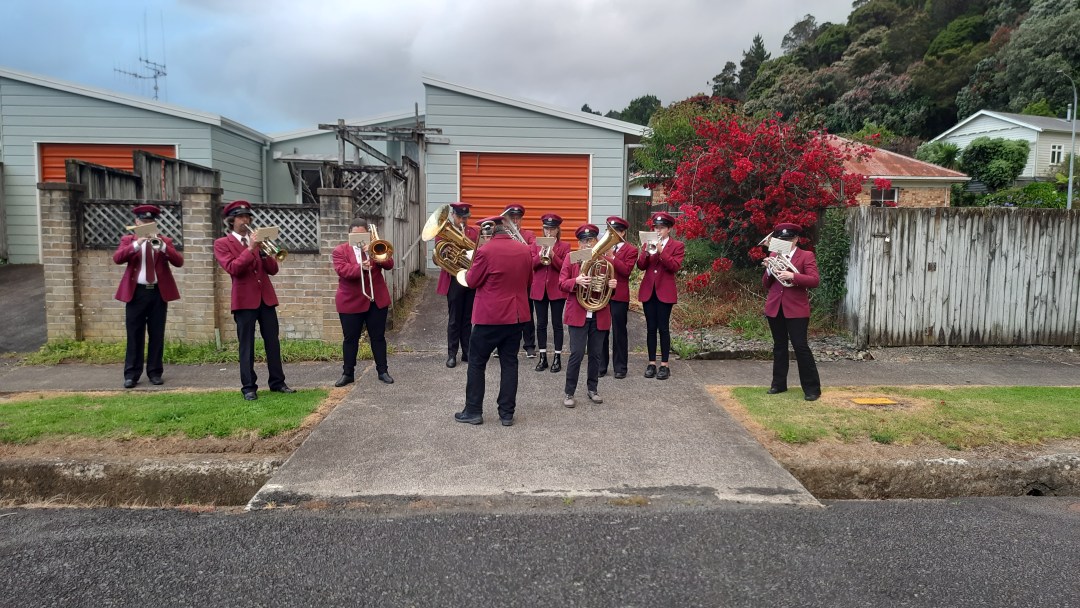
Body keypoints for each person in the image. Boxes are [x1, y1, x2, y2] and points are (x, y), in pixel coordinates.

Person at [454, 215, 533, 427]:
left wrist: (471, 267)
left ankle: (473, 411)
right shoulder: (525, 250)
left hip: (489, 317)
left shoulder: (485, 251)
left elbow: (471, 281)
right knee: (509, 363)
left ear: (489, 231)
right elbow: (528, 281)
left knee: (477, 363)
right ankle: (506, 414)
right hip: (516, 316)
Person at [213, 200, 295, 400]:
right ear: (232, 220)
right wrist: (250, 248)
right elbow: (233, 268)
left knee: (273, 343)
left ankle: (278, 382)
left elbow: (273, 270)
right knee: (246, 345)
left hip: (266, 299)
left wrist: (266, 253)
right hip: (244, 301)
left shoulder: (258, 243)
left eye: (248, 217)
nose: (245, 220)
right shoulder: (222, 244)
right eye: (241, 217)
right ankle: (249, 387)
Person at [113, 204, 184, 388]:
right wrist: (137, 244)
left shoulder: (164, 241)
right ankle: (131, 374)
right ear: (137, 223)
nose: (147, 224)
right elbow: (118, 258)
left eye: (150, 222)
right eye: (143, 221)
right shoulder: (128, 240)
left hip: (158, 293)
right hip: (136, 293)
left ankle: (155, 372)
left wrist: (163, 247)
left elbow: (179, 261)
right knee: (134, 334)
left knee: (157, 334)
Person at [559, 224, 618, 407]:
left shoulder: (605, 262)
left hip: (599, 314)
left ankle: (593, 389)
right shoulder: (571, 258)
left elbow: (608, 292)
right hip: (578, 313)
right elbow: (561, 283)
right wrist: (576, 281)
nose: (588, 244)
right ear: (579, 243)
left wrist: (612, 286)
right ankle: (569, 392)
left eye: (591, 240)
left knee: (596, 355)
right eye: (584, 241)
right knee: (576, 354)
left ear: (596, 241)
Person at [762, 222, 821, 401]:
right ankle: (778, 384)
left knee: (800, 347)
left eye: (788, 239)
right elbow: (766, 284)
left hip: (796, 308)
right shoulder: (773, 254)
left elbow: (814, 280)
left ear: (796, 239)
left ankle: (812, 389)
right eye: (781, 239)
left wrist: (792, 276)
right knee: (779, 347)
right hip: (775, 307)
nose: (785, 242)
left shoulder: (806, 255)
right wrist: (769, 270)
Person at [332, 218, 394, 387]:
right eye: (355, 235)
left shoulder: (375, 247)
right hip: (350, 301)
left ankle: (383, 371)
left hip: (376, 300)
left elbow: (389, 264)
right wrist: (360, 268)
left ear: (368, 234)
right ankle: (348, 373)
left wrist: (374, 254)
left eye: (362, 235)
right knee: (350, 339)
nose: (359, 238)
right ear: (349, 235)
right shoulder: (340, 250)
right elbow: (342, 270)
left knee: (378, 337)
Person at [637, 211, 685, 380]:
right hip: (649, 291)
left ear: (669, 229)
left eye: (662, 228)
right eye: (656, 227)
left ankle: (664, 365)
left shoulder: (677, 245)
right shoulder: (647, 244)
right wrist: (646, 252)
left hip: (665, 292)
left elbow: (674, 266)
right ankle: (651, 363)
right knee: (650, 328)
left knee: (663, 328)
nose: (658, 230)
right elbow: (641, 266)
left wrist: (661, 251)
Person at [437, 203, 478, 369]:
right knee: (454, 319)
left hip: (469, 278)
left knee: (468, 318)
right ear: (453, 215)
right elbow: (439, 255)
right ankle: (452, 354)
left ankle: (467, 352)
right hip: (453, 279)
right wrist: (447, 252)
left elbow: (479, 253)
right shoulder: (443, 232)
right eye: (460, 217)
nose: (463, 220)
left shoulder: (473, 232)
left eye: (465, 218)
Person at [597, 216, 637, 380]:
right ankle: (601, 365)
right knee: (602, 330)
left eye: (615, 232)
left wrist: (612, 257)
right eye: (609, 231)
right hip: (602, 293)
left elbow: (626, 271)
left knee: (619, 332)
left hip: (619, 295)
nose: (611, 234)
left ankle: (620, 367)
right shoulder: (602, 246)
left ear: (623, 232)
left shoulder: (631, 250)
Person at [530, 213, 570, 373]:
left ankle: (557, 358)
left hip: (556, 290)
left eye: (552, 229)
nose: (549, 232)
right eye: (546, 228)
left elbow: (564, 268)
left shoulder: (564, 246)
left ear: (557, 230)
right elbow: (531, 265)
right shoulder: (535, 244)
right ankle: (543, 357)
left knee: (557, 324)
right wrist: (540, 255)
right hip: (539, 289)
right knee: (541, 324)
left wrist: (553, 255)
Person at [503, 203, 537, 358]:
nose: (515, 221)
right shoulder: (501, 235)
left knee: (527, 311)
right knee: (505, 312)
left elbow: (533, 252)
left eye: (518, 218)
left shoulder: (528, 235)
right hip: (506, 279)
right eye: (512, 218)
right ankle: (502, 344)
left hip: (524, 278)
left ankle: (529, 345)